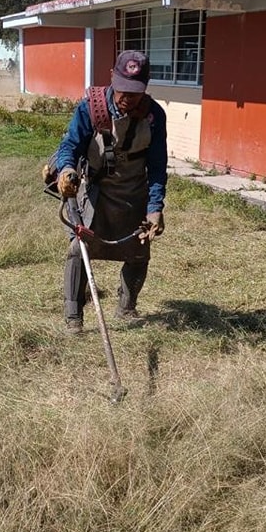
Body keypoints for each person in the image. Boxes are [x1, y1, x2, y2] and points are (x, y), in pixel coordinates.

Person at [55, 50, 168, 333]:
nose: (127, 98)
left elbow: (157, 166)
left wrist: (155, 208)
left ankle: (127, 308)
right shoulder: (90, 108)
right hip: (96, 192)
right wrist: (67, 170)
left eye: (136, 92)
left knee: (139, 251)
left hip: (133, 193)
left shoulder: (155, 116)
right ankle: (74, 317)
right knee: (78, 250)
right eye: (123, 90)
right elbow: (69, 146)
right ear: (112, 79)